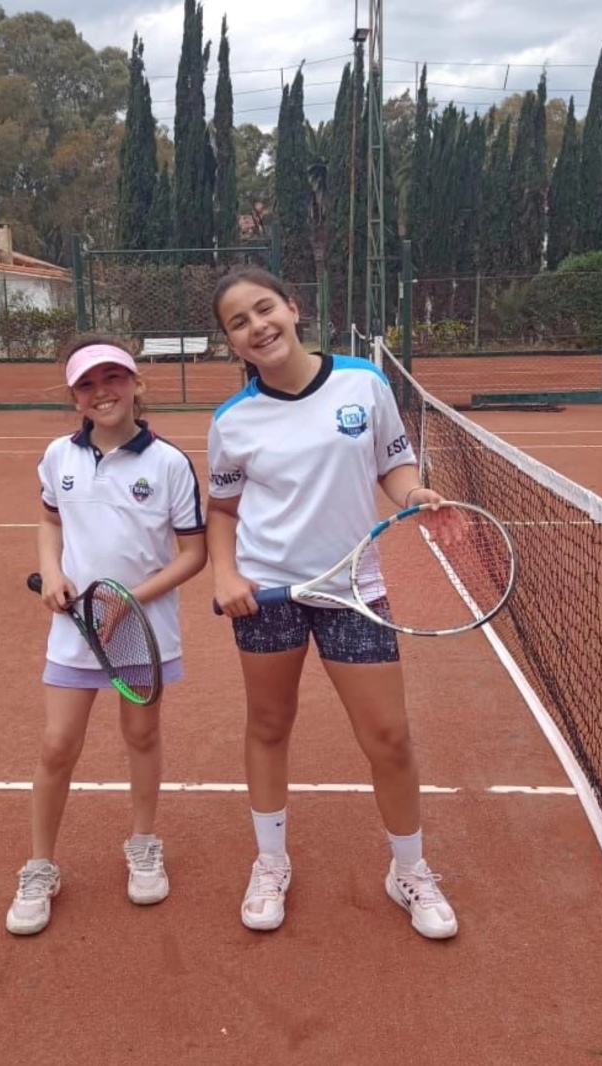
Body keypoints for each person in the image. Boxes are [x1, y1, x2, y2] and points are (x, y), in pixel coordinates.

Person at [206, 266, 459, 939]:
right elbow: (222, 510)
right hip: (268, 594)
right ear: (231, 342)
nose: (257, 327)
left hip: (353, 590)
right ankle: (270, 863)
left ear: (293, 308)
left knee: (389, 737)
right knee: (269, 726)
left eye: (264, 309)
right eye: (238, 322)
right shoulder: (231, 421)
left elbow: (393, 464)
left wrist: (413, 494)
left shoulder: (363, 383)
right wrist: (225, 574)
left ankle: (409, 870)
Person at [6, 335, 207, 935]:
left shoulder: (168, 463)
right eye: (87, 384)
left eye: (113, 378)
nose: (102, 392)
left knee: (141, 736)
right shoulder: (57, 457)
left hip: (141, 631)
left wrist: (126, 603)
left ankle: (143, 843)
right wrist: (53, 573)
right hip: (74, 632)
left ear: (136, 384)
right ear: (75, 397)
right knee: (56, 745)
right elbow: (49, 521)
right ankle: (40, 866)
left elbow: (193, 554)